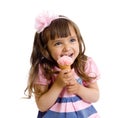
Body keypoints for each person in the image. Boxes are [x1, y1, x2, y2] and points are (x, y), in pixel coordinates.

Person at [25, 12, 100, 118]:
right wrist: (58, 84)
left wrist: (78, 89)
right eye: (58, 43)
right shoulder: (44, 69)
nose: (67, 48)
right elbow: (42, 105)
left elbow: (95, 96)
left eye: (72, 40)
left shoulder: (85, 64)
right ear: (46, 49)